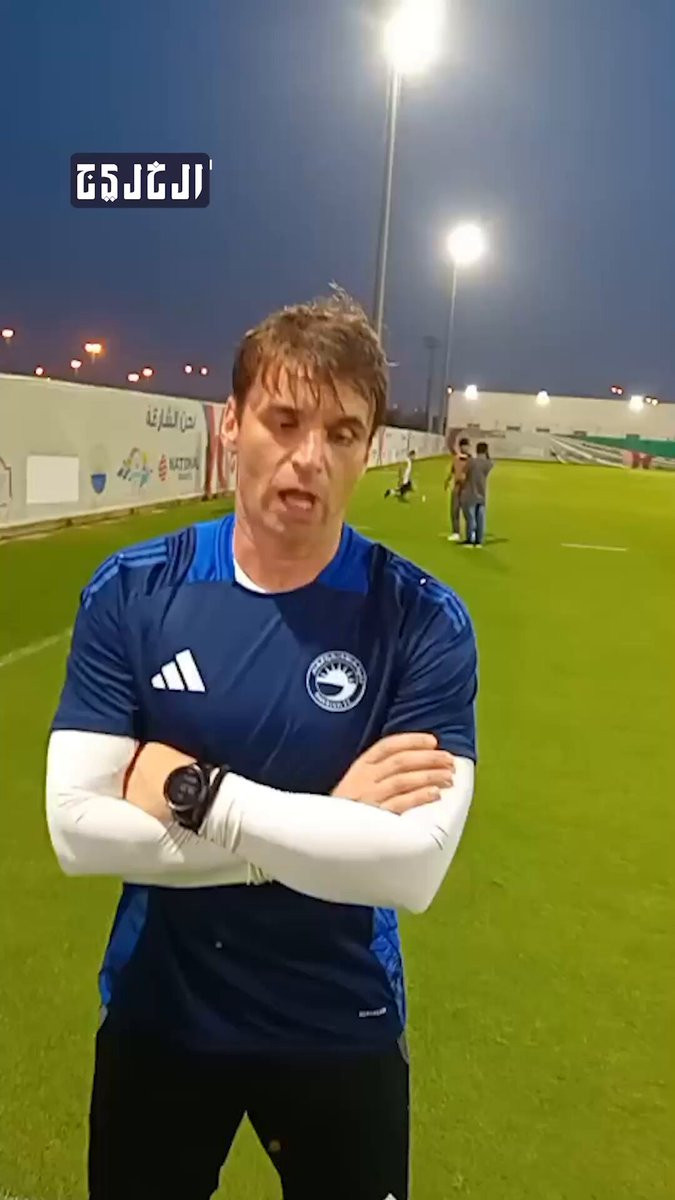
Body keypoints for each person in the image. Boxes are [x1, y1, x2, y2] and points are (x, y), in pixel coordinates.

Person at [46, 293, 478, 1200]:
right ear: (232, 425)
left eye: (342, 432)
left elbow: (409, 870)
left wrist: (202, 795)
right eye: (284, 421)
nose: (309, 456)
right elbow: (76, 830)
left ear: (368, 449)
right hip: (162, 1015)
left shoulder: (422, 620)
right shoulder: (132, 592)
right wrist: (325, 832)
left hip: (338, 1022)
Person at [461, 440, 493, 548]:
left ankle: (471, 539)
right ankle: (479, 540)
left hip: (471, 492)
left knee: (471, 518)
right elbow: (490, 462)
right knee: (480, 518)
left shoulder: (471, 462)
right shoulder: (488, 464)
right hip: (482, 493)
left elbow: (464, 475)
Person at [443, 436, 471, 540]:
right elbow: (452, 471)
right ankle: (456, 532)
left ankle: (471, 532)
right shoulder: (456, 459)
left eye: (467, 446)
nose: (465, 448)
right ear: (460, 447)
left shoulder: (471, 460)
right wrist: (447, 481)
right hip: (457, 487)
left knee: (468, 512)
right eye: (464, 446)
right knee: (454, 510)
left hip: (467, 489)